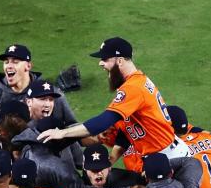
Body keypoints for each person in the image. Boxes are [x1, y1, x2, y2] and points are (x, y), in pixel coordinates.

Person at [37, 37, 189, 159]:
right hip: (166, 154)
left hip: (170, 158)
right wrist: (112, 158)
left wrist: (62, 133)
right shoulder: (136, 81)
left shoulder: (133, 88)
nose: (100, 63)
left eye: (105, 59)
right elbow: (126, 129)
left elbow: (101, 123)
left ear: (120, 61)